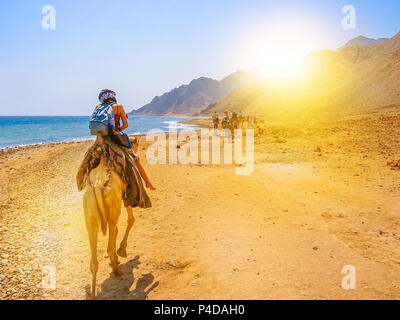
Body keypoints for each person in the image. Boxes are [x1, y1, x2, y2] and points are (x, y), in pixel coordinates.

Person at [97, 89, 156, 190]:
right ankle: (147, 182)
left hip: (101, 138)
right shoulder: (119, 107)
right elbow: (126, 125)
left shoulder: (98, 107)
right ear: (113, 97)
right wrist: (117, 129)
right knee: (134, 158)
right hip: (115, 138)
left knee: (89, 158)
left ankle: (84, 179)